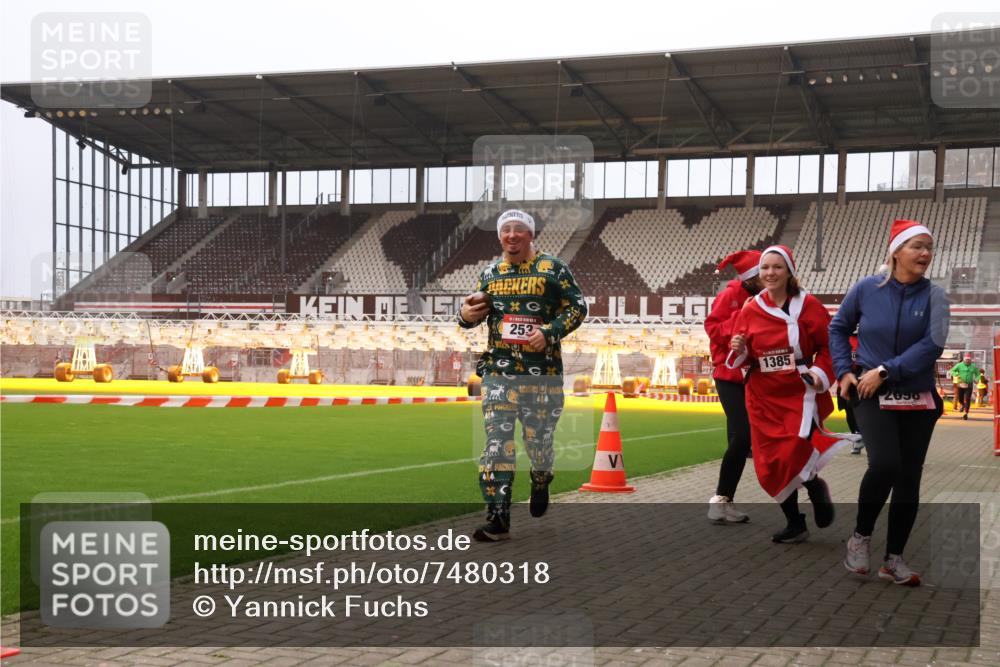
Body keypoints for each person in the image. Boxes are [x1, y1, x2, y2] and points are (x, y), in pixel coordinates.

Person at [831, 218, 949, 587]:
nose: (925, 253)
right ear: (896, 251)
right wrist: (843, 371)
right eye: (917, 246)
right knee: (884, 464)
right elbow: (838, 328)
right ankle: (860, 537)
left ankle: (893, 559)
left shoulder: (936, 297)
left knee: (909, 478)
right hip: (870, 393)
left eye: (929, 247)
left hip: (915, 394)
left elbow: (933, 345)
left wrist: (886, 370)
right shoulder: (866, 288)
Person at [458, 209, 587, 542]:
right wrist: (464, 315)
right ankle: (498, 516)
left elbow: (578, 307)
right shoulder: (489, 274)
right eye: (506, 229)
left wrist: (549, 331)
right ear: (500, 236)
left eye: (519, 229)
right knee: (496, 444)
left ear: (530, 234)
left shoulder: (553, 269)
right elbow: (474, 315)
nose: (512, 235)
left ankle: (541, 477)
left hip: (542, 375)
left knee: (538, 442)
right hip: (499, 373)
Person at [727, 245, 851, 543]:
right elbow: (744, 354)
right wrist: (739, 349)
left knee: (793, 449)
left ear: (789, 272)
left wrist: (819, 373)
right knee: (770, 462)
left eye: (777, 267)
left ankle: (813, 485)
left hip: (799, 390)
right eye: (765, 267)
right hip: (762, 395)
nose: (770, 273)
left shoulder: (809, 305)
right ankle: (794, 522)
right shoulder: (750, 308)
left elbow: (830, 346)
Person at [704, 249, 762, 524]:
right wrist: (743, 316)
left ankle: (725, 501)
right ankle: (720, 499)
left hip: (753, 375)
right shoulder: (731, 295)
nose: (769, 277)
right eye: (763, 272)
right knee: (742, 436)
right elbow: (713, 328)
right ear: (751, 277)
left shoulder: (764, 296)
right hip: (729, 375)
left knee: (740, 440)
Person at [949, 353, 979, 420]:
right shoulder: (959, 365)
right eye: (966, 360)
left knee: (967, 399)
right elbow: (952, 371)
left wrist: (976, 379)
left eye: (969, 360)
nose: (968, 361)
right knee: (960, 399)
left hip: (969, 385)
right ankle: (963, 405)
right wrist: (956, 374)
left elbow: (978, 374)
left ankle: (966, 413)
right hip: (960, 384)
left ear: (970, 360)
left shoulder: (973, 366)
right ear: (964, 360)